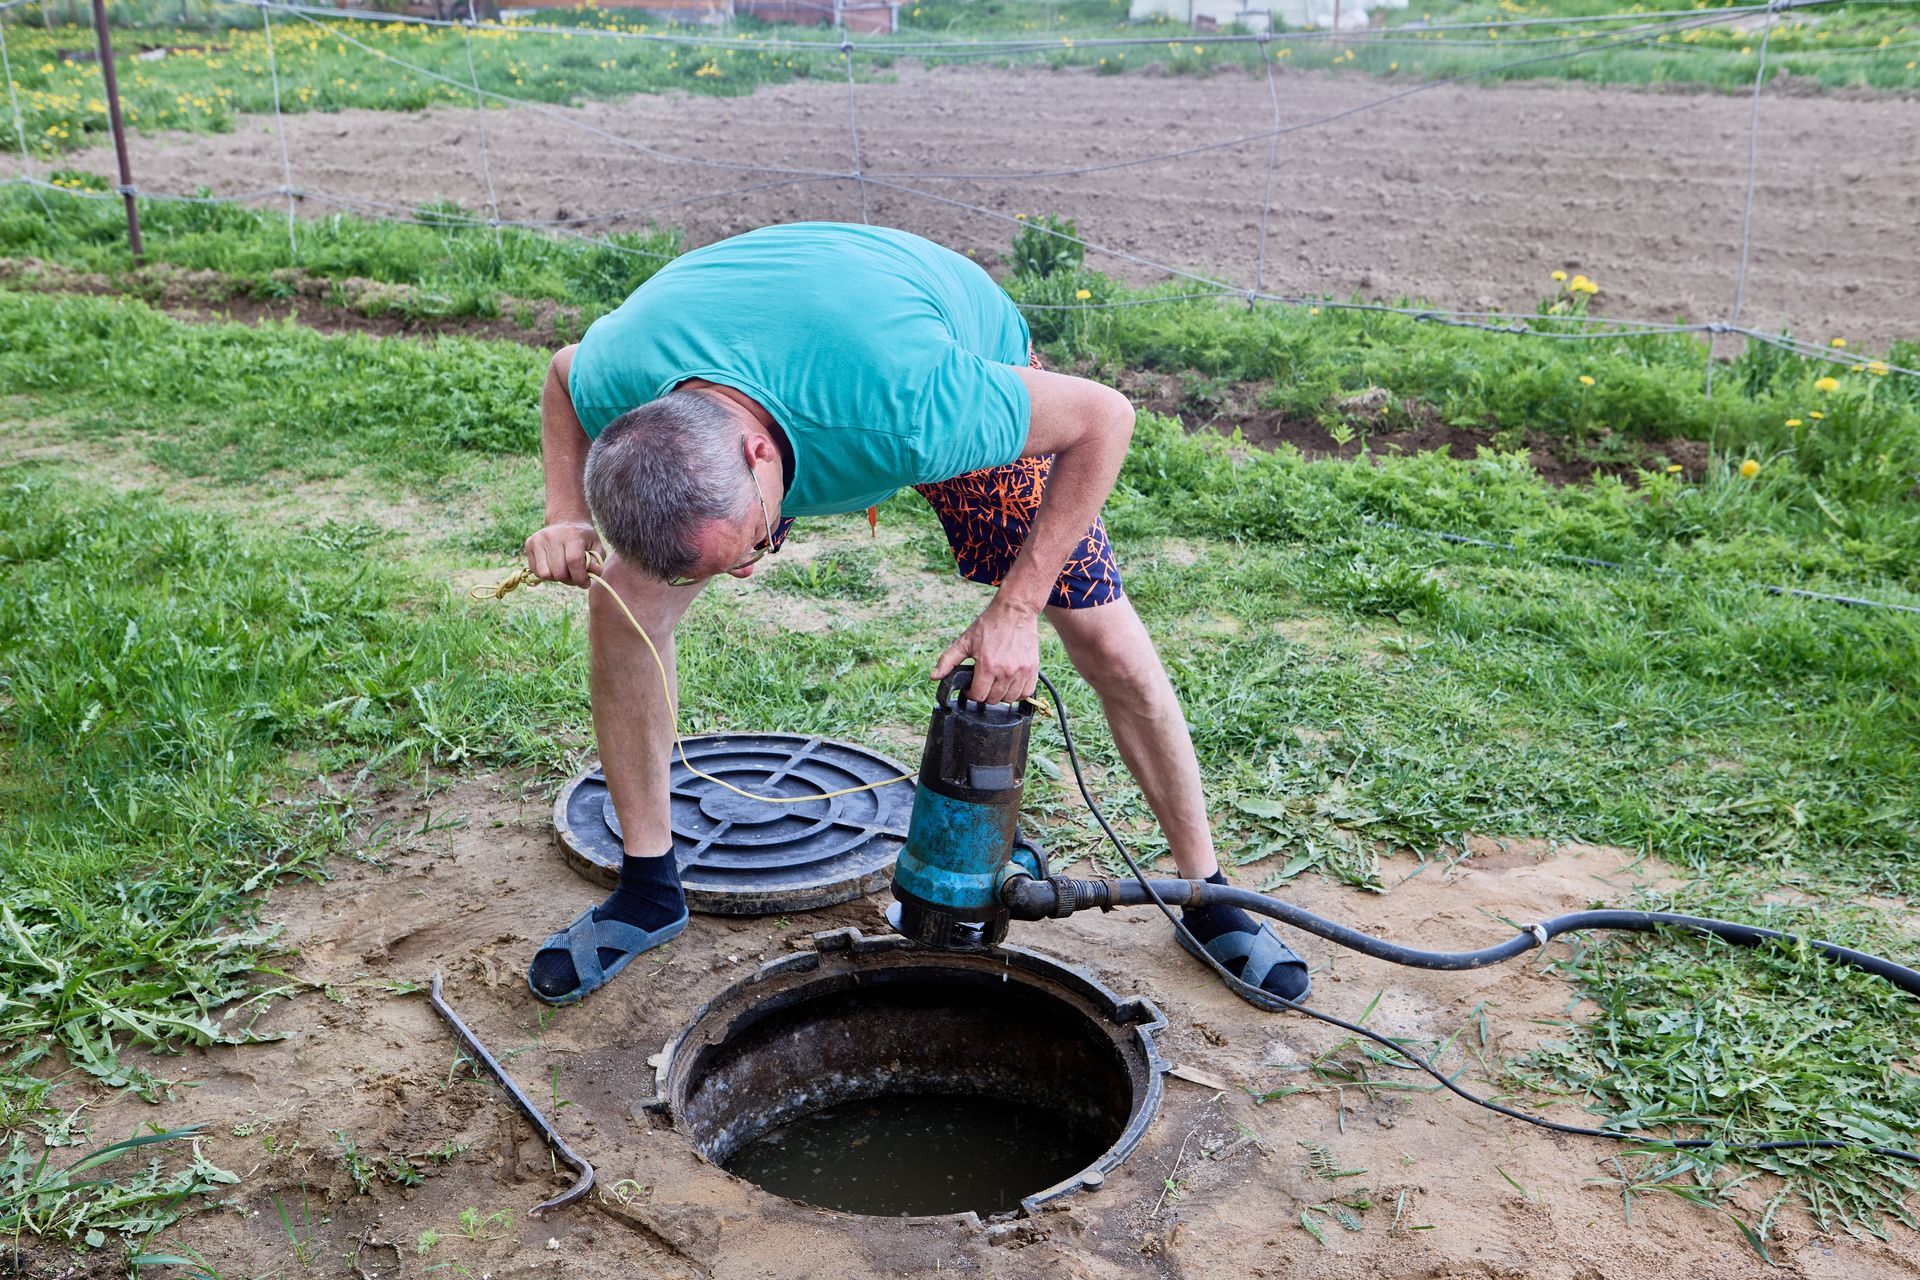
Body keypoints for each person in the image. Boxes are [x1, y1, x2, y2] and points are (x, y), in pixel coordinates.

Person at [518, 222, 1309, 1009]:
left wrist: (1017, 608)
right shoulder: (624, 372)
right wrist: (565, 512)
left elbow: (1106, 417)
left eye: (755, 542)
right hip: (783, 347)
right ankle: (650, 889)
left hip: (920, 346)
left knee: (1107, 643)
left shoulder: (921, 405)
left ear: (758, 455)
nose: (756, 566)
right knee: (619, 608)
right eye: (735, 561)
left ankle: (1208, 894)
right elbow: (563, 374)